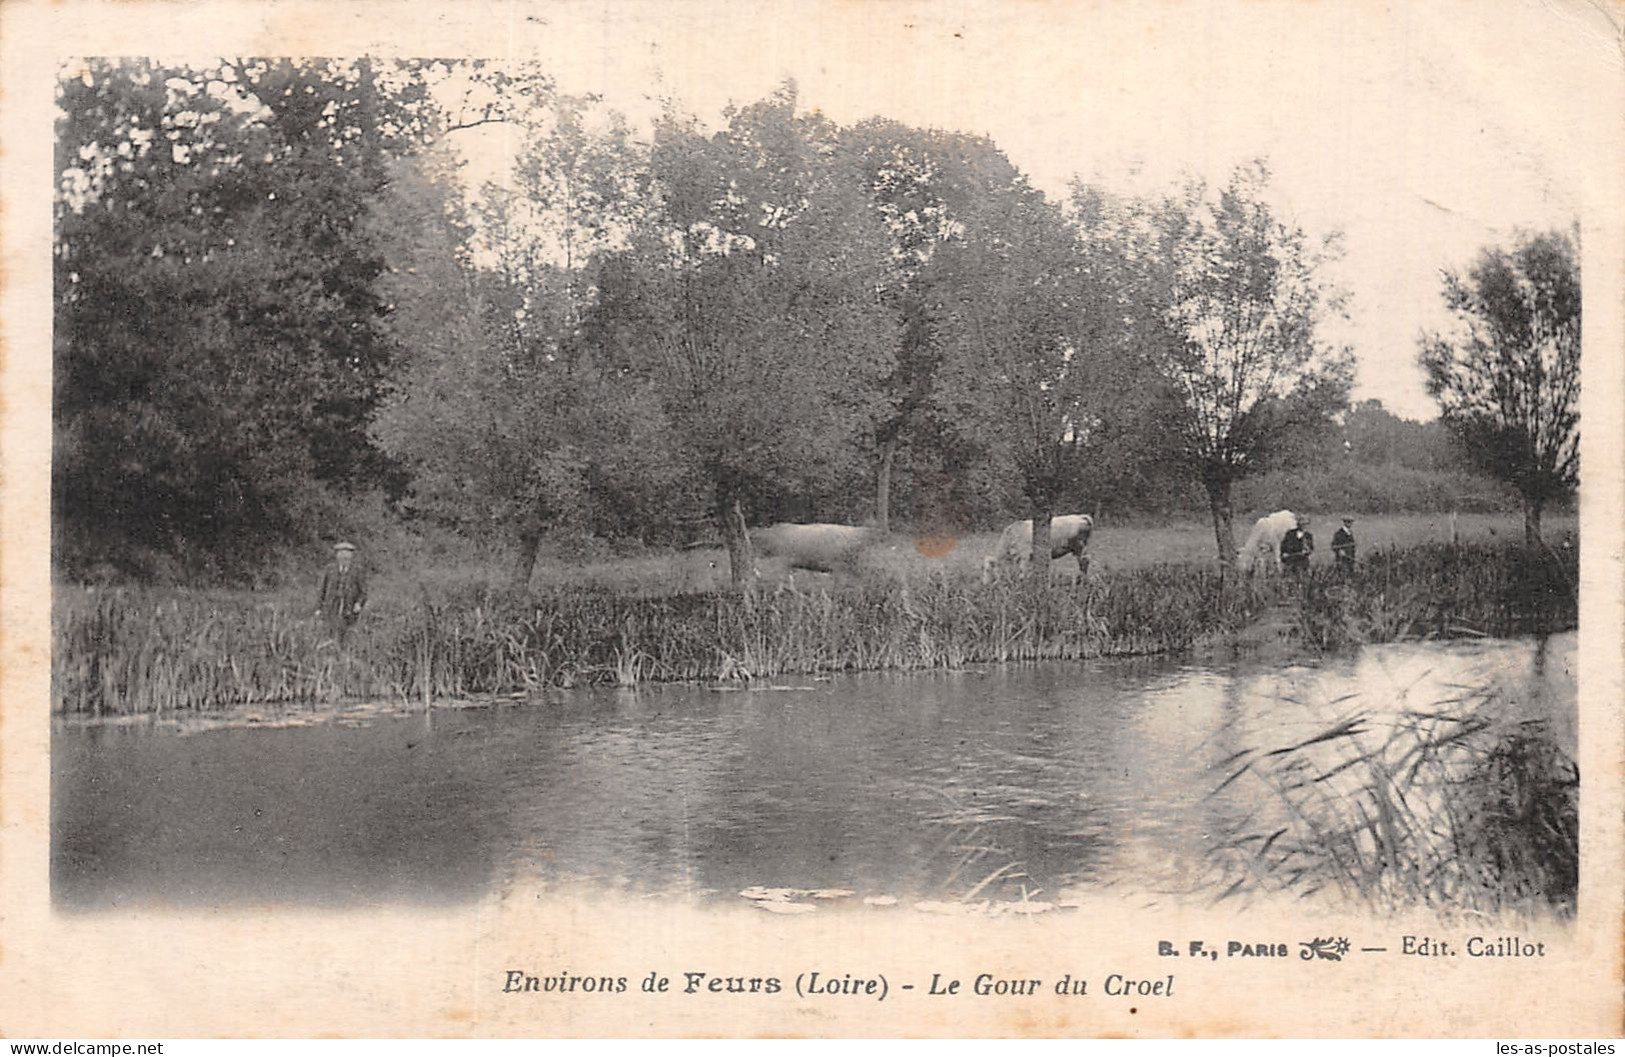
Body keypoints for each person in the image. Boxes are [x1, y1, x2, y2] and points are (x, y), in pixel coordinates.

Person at [315, 541, 367, 645]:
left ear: (351, 556)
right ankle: (331, 652)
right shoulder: (330, 569)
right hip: (331, 606)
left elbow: (363, 592)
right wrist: (319, 607)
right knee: (330, 629)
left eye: (347, 555)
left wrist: (358, 604)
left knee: (346, 632)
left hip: (349, 607)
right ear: (337, 556)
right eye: (341, 554)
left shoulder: (357, 570)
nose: (344, 558)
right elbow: (322, 589)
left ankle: (344, 652)